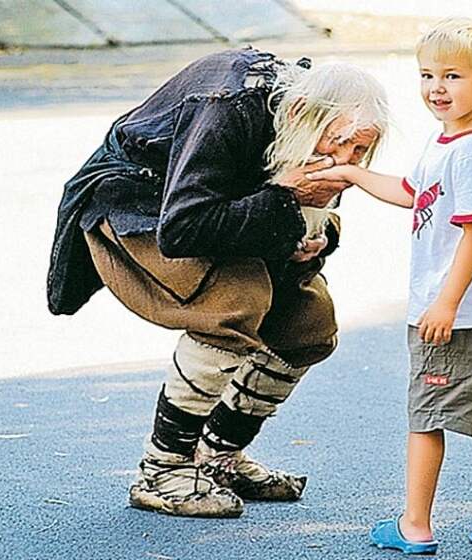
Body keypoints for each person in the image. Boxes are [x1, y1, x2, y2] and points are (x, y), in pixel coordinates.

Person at [47, 47, 388, 518]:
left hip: (215, 207)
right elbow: (184, 228)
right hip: (139, 202)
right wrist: (284, 203)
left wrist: (315, 235)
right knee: (235, 300)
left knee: (308, 320)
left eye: (359, 151)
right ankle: (162, 470)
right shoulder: (228, 105)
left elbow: (293, 207)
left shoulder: (305, 121)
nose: (346, 162)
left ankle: (219, 455)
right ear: (304, 116)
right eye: (340, 143)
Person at [308, 17, 472, 555]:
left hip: (452, 314)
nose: (437, 87)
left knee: (425, 420)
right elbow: (412, 193)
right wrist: (351, 176)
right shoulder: (447, 142)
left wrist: (445, 303)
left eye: (453, 76)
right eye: (428, 74)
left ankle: (415, 526)